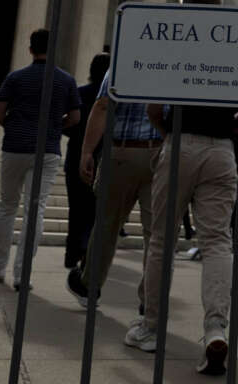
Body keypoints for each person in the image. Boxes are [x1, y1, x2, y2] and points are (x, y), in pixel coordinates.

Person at [122, 0, 238, 375]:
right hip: (222, 148)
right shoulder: (235, 44)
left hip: (181, 142)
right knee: (218, 241)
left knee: (162, 238)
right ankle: (215, 327)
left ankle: (152, 326)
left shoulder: (177, 42)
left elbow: (155, 109)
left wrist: (167, 133)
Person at [0, 29, 81, 289]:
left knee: (6, 205)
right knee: (35, 210)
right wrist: (54, 127)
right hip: (47, 149)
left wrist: (15, 126)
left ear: (30, 49)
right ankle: (22, 275)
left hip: (15, 146)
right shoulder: (66, 80)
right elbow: (75, 118)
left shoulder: (16, 77)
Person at [67, 67, 161, 314]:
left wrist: (87, 150)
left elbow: (102, 106)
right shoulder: (171, 64)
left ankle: (89, 286)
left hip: (122, 151)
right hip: (161, 153)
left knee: (107, 225)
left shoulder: (123, 63)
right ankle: (150, 301)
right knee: (156, 234)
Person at [64, 52, 109, 269]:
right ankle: (88, 253)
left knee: (76, 207)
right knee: (95, 210)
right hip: (103, 156)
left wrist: (74, 136)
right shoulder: (112, 97)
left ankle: (72, 253)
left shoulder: (80, 93)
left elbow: (69, 123)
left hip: (77, 155)